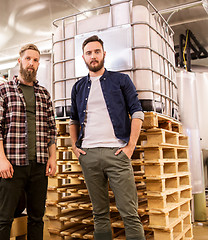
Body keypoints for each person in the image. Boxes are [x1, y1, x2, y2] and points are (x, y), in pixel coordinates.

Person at [69, 35, 145, 240]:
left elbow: (137, 113)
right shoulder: (78, 87)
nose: (93, 56)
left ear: (104, 54)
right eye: (88, 53)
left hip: (117, 153)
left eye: (96, 52)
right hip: (89, 155)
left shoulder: (121, 81)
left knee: (129, 214)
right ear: (83, 57)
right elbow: (73, 120)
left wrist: (130, 147)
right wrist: (76, 149)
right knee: (99, 214)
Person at [0, 43, 57, 240]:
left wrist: (53, 157)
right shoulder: (3, 91)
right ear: (20, 61)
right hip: (12, 165)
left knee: (36, 218)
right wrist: (1, 159)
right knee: (4, 218)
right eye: (28, 59)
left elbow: (51, 129)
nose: (31, 63)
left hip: (39, 166)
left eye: (35, 60)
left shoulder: (44, 94)